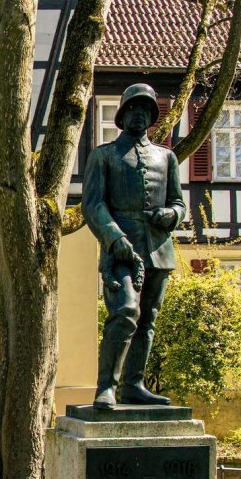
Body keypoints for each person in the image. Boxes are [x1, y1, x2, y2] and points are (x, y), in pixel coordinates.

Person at [82, 83, 187, 409]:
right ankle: (106, 387)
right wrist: (114, 238)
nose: (139, 115)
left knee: (147, 320)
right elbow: (93, 205)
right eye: (133, 109)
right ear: (123, 114)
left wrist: (170, 214)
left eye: (146, 110)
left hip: (158, 247)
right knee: (125, 310)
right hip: (121, 250)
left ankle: (133, 385)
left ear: (152, 118)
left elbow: (179, 204)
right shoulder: (104, 156)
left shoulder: (166, 157)